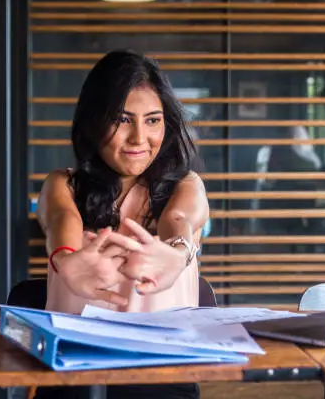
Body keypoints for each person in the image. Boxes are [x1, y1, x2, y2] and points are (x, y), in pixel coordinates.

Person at [34, 50, 209, 399]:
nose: (139, 139)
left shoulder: (186, 184)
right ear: (94, 121)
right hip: (72, 372)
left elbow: (179, 220)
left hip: (164, 372)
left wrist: (177, 252)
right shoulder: (63, 184)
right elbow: (61, 223)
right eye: (123, 119)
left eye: (153, 120)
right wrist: (66, 258)